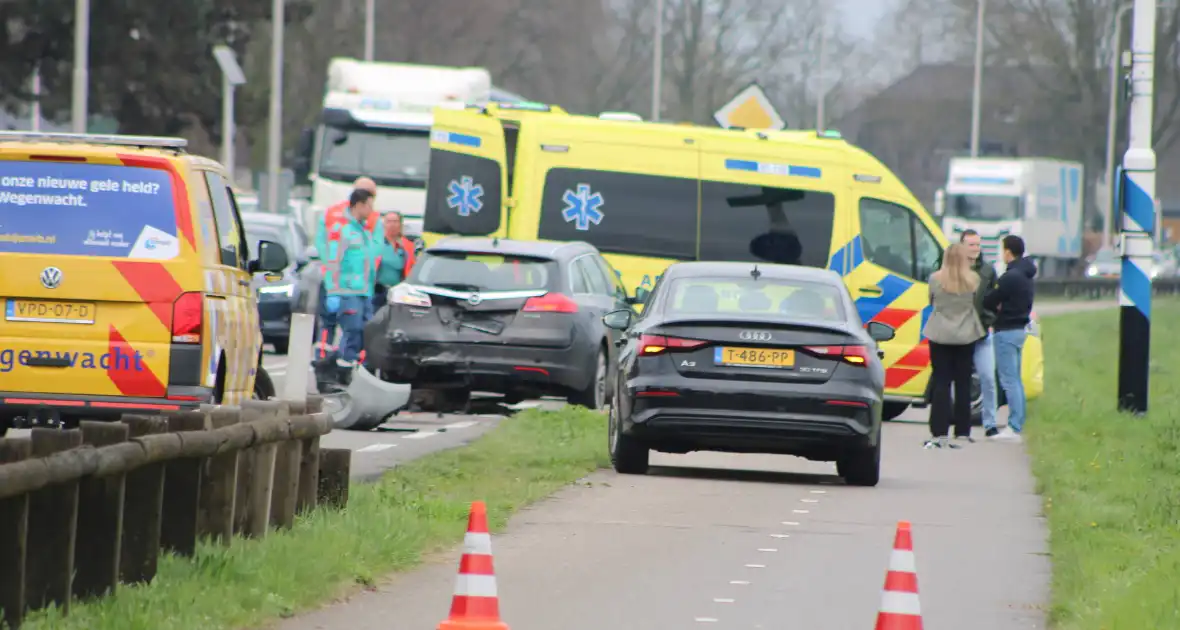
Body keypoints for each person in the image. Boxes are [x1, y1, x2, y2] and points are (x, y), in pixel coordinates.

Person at [921, 243, 986, 449]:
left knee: (941, 382)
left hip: (940, 333)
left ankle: (939, 430)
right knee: (963, 382)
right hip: (966, 334)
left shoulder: (935, 279)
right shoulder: (974, 280)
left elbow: (931, 302)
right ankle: (963, 430)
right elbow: (976, 303)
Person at [313, 177, 380, 351]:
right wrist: (333, 290)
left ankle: (344, 367)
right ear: (359, 201)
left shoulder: (364, 228)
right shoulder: (341, 226)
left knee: (359, 334)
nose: (372, 208)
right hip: (345, 290)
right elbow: (330, 258)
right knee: (346, 331)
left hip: (362, 291)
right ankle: (324, 363)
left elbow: (372, 258)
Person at [984, 235, 1037, 443]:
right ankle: (1018, 423)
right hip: (1019, 330)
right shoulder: (1026, 274)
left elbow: (989, 300)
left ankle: (1014, 426)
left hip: (1005, 330)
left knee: (1009, 380)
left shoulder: (1010, 277)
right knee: (1015, 379)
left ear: (1008, 252)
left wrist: (996, 304)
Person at [960, 229, 1001, 438]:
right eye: (971, 245)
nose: (975, 249)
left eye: (978, 245)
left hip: (982, 334)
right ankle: (961, 425)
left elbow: (993, 300)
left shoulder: (987, 271)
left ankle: (990, 423)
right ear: (962, 246)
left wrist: (989, 321)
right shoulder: (954, 269)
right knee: (960, 380)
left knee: (987, 378)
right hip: (959, 334)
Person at [372, 211, 417, 310]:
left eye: (395, 221)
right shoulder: (375, 244)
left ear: (400, 225)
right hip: (378, 292)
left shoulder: (408, 246)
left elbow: (412, 268)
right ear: (383, 224)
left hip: (400, 294)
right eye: (389, 221)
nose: (392, 225)